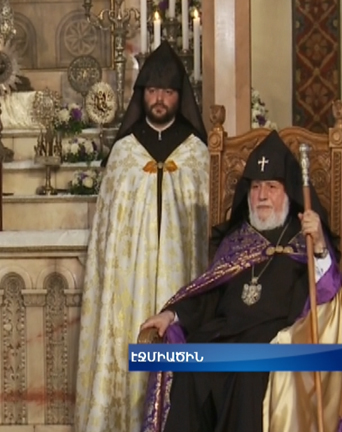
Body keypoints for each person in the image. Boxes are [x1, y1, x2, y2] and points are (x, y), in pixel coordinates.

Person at [139, 130, 342, 432]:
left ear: (288, 194)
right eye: (256, 187)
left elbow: (327, 296)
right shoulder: (237, 241)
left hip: (274, 341)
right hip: (223, 336)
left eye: (272, 187)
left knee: (248, 375)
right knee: (190, 367)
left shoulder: (306, 242)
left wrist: (321, 247)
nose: (261, 195)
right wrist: (173, 314)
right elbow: (208, 294)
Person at [75, 41, 210, 432]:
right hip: (127, 288)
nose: (159, 98)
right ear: (142, 94)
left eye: (168, 92)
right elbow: (106, 239)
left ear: (179, 97)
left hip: (180, 282)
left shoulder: (197, 154)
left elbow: (203, 234)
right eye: (152, 90)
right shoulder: (124, 154)